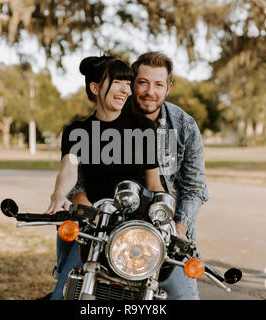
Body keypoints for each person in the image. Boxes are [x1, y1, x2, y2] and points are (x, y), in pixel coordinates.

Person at [71, 51, 210, 299]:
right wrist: (79, 197)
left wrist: (179, 227)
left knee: (183, 297)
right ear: (131, 82)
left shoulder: (184, 125)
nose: (150, 92)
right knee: (69, 284)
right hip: (105, 223)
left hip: (163, 228)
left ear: (168, 87)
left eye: (158, 85)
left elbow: (194, 188)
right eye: (143, 82)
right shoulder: (109, 113)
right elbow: (80, 165)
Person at [44, 55, 165, 300]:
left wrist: (166, 216)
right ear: (96, 88)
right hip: (94, 225)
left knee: (159, 292)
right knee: (63, 293)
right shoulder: (77, 131)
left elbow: (154, 182)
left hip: (133, 227)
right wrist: (59, 194)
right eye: (118, 82)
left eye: (127, 83)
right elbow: (69, 168)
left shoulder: (142, 127)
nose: (125, 90)